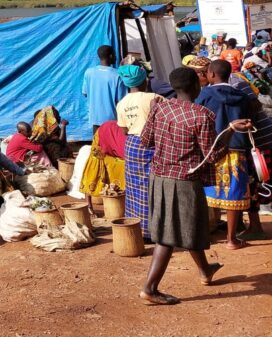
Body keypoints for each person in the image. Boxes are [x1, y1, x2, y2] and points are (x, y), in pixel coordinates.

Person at [138, 67, 241, 305]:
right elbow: (212, 155)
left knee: (188, 225)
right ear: (196, 85)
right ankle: (150, 288)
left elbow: (145, 140)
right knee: (168, 234)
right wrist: (230, 131)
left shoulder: (159, 107)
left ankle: (205, 270)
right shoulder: (202, 116)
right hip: (183, 181)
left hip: (159, 177)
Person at [198, 59, 262, 249]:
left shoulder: (204, 95)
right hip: (238, 149)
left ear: (211, 74)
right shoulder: (242, 97)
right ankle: (231, 239)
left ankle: (205, 234)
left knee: (205, 192)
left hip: (212, 149)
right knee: (234, 195)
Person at [117, 64, 164, 241]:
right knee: (155, 186)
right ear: (145, 80)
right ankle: (157, 230)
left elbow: (123, 131)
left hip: (132, 146)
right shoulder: (155, 97)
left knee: (135, 188)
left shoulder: (122, 103)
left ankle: (140, 229)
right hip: (154, 145)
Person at [79, 121, 126, 214]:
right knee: (94, 169)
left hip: (114, 146)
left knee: (120, 166)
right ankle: (89, 206)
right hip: (102, 137)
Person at [82, 45, 126, 133]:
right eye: (114, 54)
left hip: (95, 118)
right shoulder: (117, 75)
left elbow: (85, 93)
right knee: (110, 145)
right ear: (111, 56)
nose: (116, 57)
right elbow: (122, 100)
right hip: (112, 120)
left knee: (97, 144)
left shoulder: (89, 72)